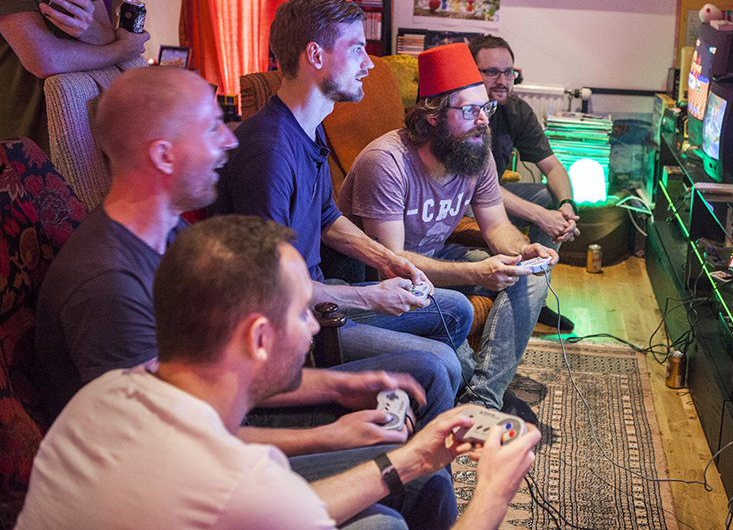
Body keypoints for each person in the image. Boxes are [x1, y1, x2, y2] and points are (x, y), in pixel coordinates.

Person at [34, 66, 457, 489]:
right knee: (422, 480)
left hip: (224, 416)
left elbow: (220, 374)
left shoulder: (170, 232)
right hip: (173, 476)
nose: (230, 139)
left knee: (424, 371)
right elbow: (168, 438)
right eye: (211, 127)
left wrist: (341, 386)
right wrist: (327, 436)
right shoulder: (109, 284)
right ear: (163, 155)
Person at [16, 214, 541, 530]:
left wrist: (415, 456)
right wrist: (493, 492)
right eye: (301, 312)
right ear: (259, 338)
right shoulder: (236, 483)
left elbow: (295, 506)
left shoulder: (109, 393)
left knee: (404, 496)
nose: (315, 326)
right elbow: (269, 502)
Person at [211, 0, 472, 388]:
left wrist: (388, 260)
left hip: (321, 295)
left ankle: (442, 403)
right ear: (315, 55)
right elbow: (269, 288)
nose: (368, 63)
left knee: (456, 309)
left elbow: (326, 217)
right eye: (356, 49)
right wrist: (371, 297)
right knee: (440, 365)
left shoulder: (307, 127)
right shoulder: (269, 152)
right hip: (292, 320)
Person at [339, 43, 558, 416]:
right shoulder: (387, 162)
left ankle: (483, 397)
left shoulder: (476, 151)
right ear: (433, 115)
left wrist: (522, 251)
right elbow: (390, 265)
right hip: (379, 281)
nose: (484, 120)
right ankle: (480, 396)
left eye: (485, 108)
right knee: (452, 304)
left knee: (531, 275)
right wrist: (475, 273)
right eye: (470, 110)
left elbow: (497, 226)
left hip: (434, 259)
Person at [467, 35, 579, 333]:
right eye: (492, 72)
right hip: (462, 203)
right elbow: (475, 186)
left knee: (550, 196)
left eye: (508, 72)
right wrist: (540, 216)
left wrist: (566, 207)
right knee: (542, 209)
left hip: (493, 199)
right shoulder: (465, 111)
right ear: (472, 72)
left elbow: (552, 166)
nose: (502, 80)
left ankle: (535, 296)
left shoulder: (515, 110)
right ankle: (523, 298)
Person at [0, 0, 149, 152]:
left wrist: (88, 27)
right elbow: (44, 61)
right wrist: (123, 50)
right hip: (23, 135)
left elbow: (105, 38)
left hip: (82, 128)